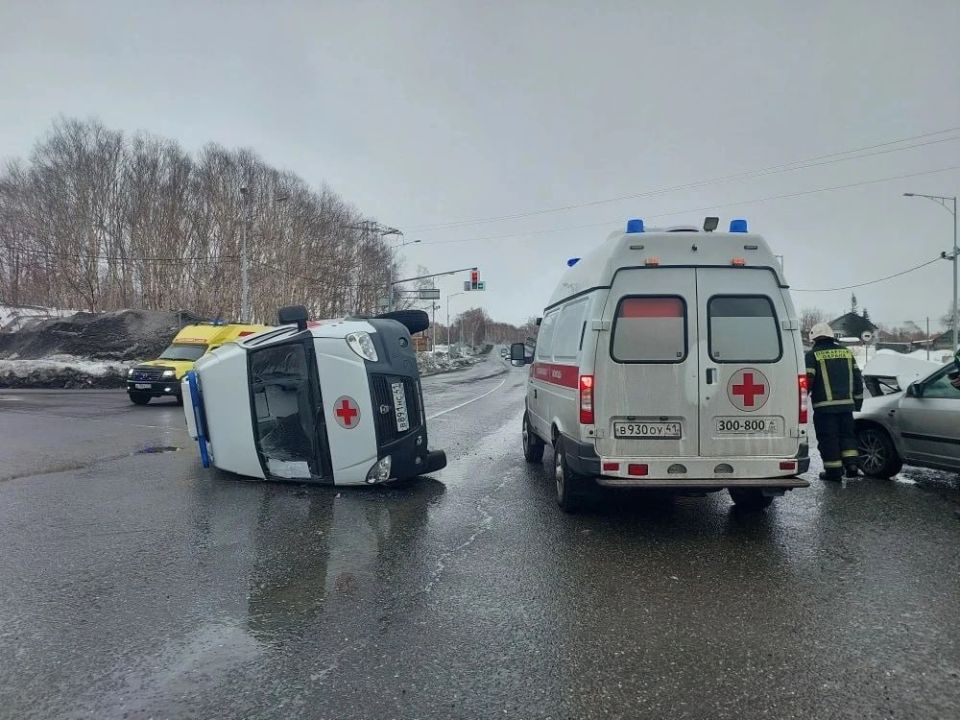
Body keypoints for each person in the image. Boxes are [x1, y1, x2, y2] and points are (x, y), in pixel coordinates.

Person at [806, 323, 864, 481]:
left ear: (814, 338)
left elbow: (808, 380)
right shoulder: (846, 352)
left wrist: (800, 396)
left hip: (824, 408)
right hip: (846, 406)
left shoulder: (812, 355)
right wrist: (857, 403)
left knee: (828, 438)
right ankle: (852, 465)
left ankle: (834, 471)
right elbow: (858, 379)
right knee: (847, 436)